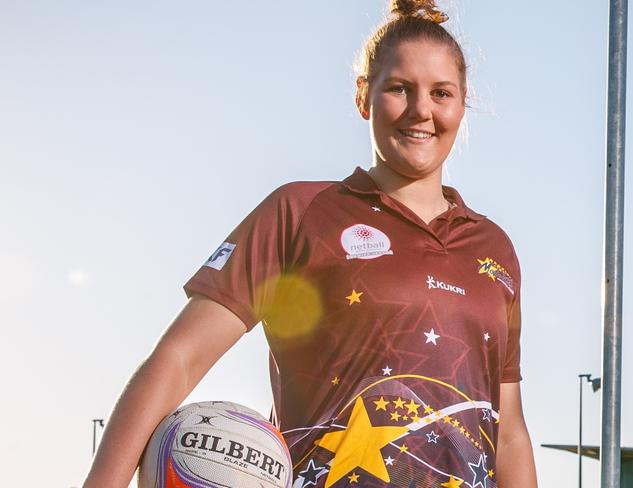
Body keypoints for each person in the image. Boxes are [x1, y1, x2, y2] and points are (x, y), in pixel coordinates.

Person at [84, 1, 537, 486]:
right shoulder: (299, 213)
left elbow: (507, 430)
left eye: (440, 93)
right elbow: (178, 359)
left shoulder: (494, 249)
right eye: (399, 89)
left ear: (462, 103)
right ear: (364, 96)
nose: (421, 110)